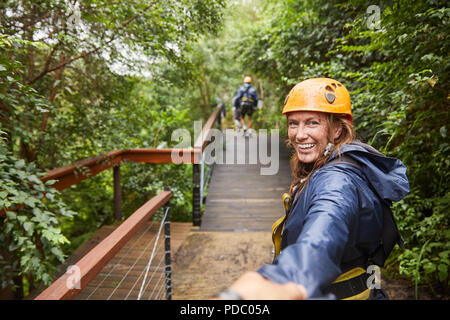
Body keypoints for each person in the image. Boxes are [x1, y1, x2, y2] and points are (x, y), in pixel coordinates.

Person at [214, 77, 410, 300]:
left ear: (337, 129)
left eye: (312, 123)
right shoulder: (339, 161)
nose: (299, 134)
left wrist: (287, 281)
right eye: (293, 123)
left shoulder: (337, 180)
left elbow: (324, 228)